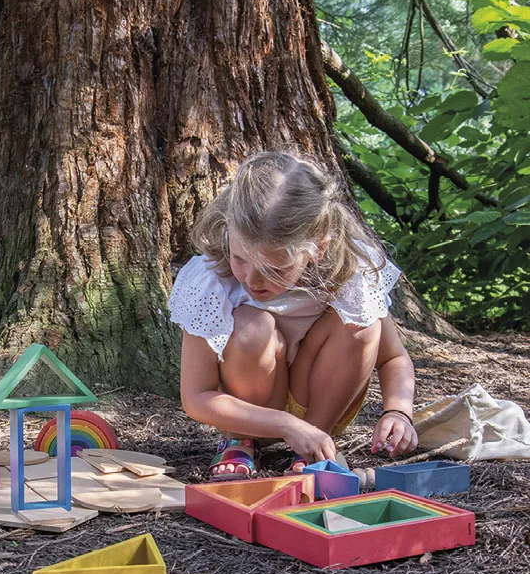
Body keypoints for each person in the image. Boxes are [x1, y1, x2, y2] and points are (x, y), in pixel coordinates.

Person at [169, 152, 417, 480]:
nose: (253, 280)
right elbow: (197, 397)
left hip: (319, 400)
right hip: (247, 410)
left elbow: (392, 357)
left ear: (319, 247)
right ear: (229, 229)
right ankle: (241, 440)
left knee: (360, 326)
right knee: (251, 327)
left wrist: (399, 411)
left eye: (275, 269)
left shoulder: (349, 274)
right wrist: (285, 424)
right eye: (241, 258)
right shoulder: (211, 279)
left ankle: (314, 445)